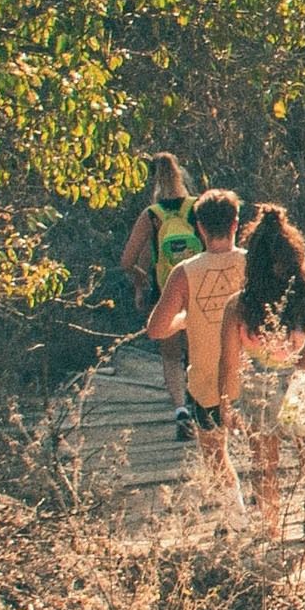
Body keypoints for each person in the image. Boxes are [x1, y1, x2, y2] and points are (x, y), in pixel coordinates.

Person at [143, 189, 255, 504]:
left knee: (215, 453)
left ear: (199, 228)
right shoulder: (252, 264)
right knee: (267, 447)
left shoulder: (185, 272)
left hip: (206, 379)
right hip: (252, 375)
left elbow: (157, 328)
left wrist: (187, 318)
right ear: (235, 223)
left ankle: (236, 517)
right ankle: (275, 517)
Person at [222, 202, 305, 539]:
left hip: (257, 391)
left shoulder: (240, 306)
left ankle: (271, 528)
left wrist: (227, 404)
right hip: (299, 384)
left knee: (265, 466)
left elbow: (229, 362)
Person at [119, 153, 203, 436]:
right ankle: (202, 408)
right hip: (198, 289)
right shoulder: (197, 207)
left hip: (165, 290)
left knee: (170, 356)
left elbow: (126, 261)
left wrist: (142, 283)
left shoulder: (152, 215)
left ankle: (180, 411)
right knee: (197, 352)